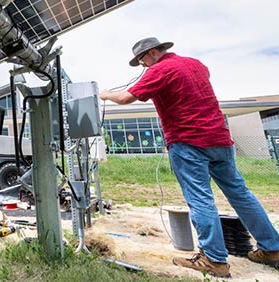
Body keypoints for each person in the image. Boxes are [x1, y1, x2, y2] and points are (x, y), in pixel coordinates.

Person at [99, 37, 279, 278]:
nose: (144, 66)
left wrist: (106, 94)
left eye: (143, 60)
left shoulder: (160, 70)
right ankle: (272, 249)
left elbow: (125, 99)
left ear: (153, 52)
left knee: (200, 198)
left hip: (189, 141)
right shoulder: (196, 64)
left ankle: (214, 260)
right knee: (240, 193)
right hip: (219, 139)